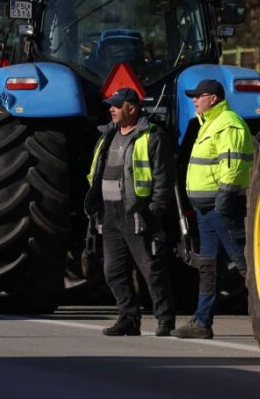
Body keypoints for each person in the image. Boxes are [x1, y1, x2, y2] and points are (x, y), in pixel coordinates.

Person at [85, 87, 176, 337]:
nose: (111, 109)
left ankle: (165, 320)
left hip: (137, 212)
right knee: (113, 271)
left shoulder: (153, 136)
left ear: (132, 108)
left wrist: (154, 212)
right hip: (110, 213)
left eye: (116, 105)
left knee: (151, 269)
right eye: (110, 105)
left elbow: (163, 180)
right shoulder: (107, 135)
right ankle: (128, 318)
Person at [172, 79, 253, 340]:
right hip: (206, 209)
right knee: (208, 266)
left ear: (213, 98)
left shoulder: (228, 123)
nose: (194, 100)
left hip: (220, 207)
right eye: (193, 97)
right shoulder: (207, 124)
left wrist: (225, 198)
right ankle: (202, 322)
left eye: (199, 96)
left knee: (244, 262)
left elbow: (233, 163)